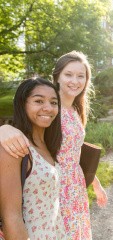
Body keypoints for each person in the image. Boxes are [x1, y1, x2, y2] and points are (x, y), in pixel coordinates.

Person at [0, 51, 108, 239]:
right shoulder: (50, 112)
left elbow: (74, 151)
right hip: (54, 186)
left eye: (80, 76)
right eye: (68, 74)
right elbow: (25, 127)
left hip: (76, 186)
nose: (75, 81)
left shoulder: (75, 111)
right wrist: (3, 130)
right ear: (57, 76)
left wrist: (95, 182)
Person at [0, 78, 67, 239]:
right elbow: (11, 217)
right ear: (23, 104)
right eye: (38, 101)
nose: (48, 108)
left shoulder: (48, 146)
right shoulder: (15, 147)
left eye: (54, 102)